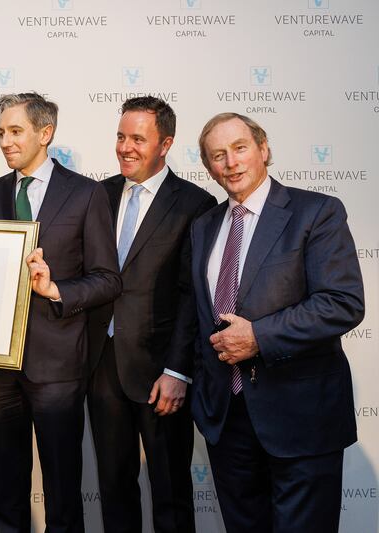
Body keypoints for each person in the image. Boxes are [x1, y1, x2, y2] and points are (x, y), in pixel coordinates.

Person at [191, 112, 364, 533]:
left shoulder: (316, 211)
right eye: (218, 155)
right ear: (209, 167)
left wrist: (258, 336)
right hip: (226, 420)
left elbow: (342, 302)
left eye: (240, 148)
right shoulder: (203, 226)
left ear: (264, 149)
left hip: (301, 416)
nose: (231, 162)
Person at [0, 92, 120, 533]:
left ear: (45, 133)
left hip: (58, 366)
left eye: (15, 131)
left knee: (62, 492)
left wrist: (55, 289)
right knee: (4, 490)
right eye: (1, 132)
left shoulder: (86, 193)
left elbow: (107, 279)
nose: (5, 141)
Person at [86, 96, 215, 533]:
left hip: (161, 371)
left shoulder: (195, 204)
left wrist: (178, 371)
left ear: (166, 144)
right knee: (113, 488)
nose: (125, 147)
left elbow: (193, 297)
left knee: (171, 492)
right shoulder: (99, 194)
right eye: (121, 137)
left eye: (138, 139)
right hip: (102, 366)